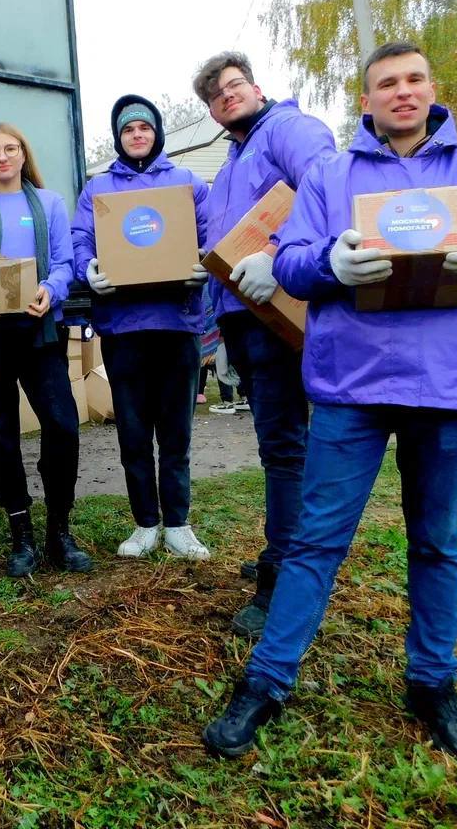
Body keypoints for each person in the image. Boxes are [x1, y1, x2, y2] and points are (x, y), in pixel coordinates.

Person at [202, 42, 457, 762]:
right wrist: (329, 262)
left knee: (436, 541)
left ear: (431, 89)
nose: (403, 92)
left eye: (415, 79)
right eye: (386, 83)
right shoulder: (331, 175)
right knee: (316, 541)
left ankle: (432, 683)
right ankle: (265, 683)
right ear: (367, 101)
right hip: (353, 385)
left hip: (447, 382)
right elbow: (289, 259)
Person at [192, 52, 337, 637]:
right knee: (277, 442)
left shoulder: (289, 130)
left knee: (284, 448)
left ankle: (283, 577)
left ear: (257, 87)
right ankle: (287, 549)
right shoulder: (232, 159)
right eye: (215, 96)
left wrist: (279, 257)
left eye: (234, 86)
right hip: (243, 316)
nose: (227, 97)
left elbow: (329, 185)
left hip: (278, 306)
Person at [71, 95, 212, 561]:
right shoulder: (98, 189)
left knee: (176, 433)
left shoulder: (186, 182)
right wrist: (86, 266)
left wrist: (205, 265)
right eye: (128, 128)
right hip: (123, 325)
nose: (137, 135)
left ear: (157, 133)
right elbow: (81, 238)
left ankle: (178, 524)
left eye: (144, 128)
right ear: (118, 136)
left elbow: (210, 233)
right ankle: (145, 523)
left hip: (177, 321)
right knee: (132, 431)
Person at [0, 123, 90, 577]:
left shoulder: (49, 204)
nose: (3, 157)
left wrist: (51, 288)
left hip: (40, 332)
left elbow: (66, 262)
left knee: (63, 425)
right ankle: (21, 533)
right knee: (1, 433)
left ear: (24, 156)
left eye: (11, 149)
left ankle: (59, 530)